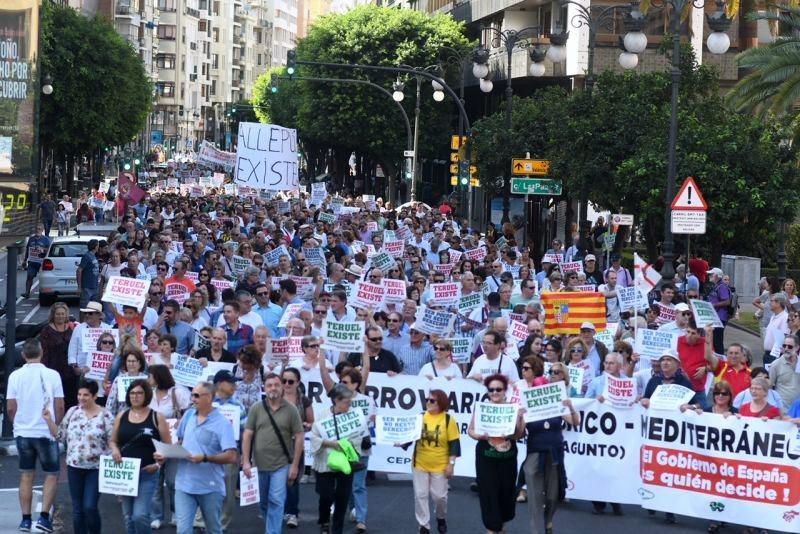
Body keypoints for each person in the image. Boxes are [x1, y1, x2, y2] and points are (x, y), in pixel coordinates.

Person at [7, 339, 65, 533]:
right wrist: (57, 426)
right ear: (42, 353)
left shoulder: (15, 376)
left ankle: (25, 519)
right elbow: (59, 405)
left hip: (23, 432)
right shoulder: (52, 375)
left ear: (23, 355)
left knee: (26, 475)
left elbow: (10, 407)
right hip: (46, 431)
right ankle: (44, 518)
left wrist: (17, 423)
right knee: (51, 474)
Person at [165, 381, 237, 534]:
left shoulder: (223, 424)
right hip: (184, 484)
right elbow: (180, 441)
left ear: (210, 397)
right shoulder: (189, 415)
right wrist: (167, 453)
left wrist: (205, 458)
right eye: (192, 395)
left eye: (197, 396)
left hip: (210, 487)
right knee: (183, 530)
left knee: (213, 529)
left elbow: (231, 456)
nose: (193, 399)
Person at [242, 373, 304, 534]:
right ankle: (271, 526)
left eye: (276, 385)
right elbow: (248, 434)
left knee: (276, 500)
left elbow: (299, 436)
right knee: (263, 502)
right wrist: (246, 461)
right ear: (264, 387)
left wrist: (295, 465)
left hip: (281, 464)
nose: (273, 388)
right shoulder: (256, 408)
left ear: (282, 387)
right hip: (259, 464)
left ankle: (272, 532)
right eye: (269, 385)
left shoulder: (291, 410)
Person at [109, 378, 171, 534]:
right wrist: (115, 450)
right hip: (125, 473)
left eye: (139, 393)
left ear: (146, 395)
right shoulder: (121, 416)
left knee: (140, 515)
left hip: (147, 472)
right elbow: (113, 441)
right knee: (128, 517)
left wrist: (158, 465)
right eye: (132, 393)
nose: (135, 396)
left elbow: (167, 447)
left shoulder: (157, 417)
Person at [523, 369, 580, 534]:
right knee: (534, 497)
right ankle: (536, 531)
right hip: (535, 453)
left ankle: (548, 520)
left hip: (554, 453)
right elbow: (519, 433)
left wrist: (570, 407)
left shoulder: (556, 404)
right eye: (536, 389)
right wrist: (520, 417)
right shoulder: (528, 406)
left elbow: (575, 422)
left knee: (552, 495)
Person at [468, 374, 525, 534]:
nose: (494, 392)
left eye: (498, 389)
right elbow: (470, 430)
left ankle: (500, 527)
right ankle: (492, 528)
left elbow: (519, 435)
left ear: (504, 391)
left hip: (507, 460)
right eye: (491, 389)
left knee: (506, 495)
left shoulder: (513, 408)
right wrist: (479, 436)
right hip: (486, 459)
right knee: (488, 495)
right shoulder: (482, 407)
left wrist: (520, 419)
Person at [310, 384, 370, 534]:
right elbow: (314, 437)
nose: (349, 405)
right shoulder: (323, 414)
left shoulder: (354, 415)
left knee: (342, 498)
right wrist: (331, 443)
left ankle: (337, 530)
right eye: (346, 402)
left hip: (345, 464)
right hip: (325, 462)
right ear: (336, 400)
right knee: (326, 495)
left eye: (350, 402)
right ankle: (324, 520)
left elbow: (359, 438)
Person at [57, 380, 115, 534]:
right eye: (79, 394)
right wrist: (49, 420)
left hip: (95, 468)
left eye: (86, 395)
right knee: (78, 510)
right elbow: (60, 435)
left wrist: (115, 452)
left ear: (95, 396)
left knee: (89, 506)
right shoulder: (73, 412)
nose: (81, 398)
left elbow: (113, 440)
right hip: (74, 467)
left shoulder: (106, 415)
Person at [405, 389, 460, 534]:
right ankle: (424, 526)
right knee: (420, 495)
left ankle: (441, 517)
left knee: (440, 497)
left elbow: (454, 444)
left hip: (440, 465)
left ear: (441, 403)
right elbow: (410, 436)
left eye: (432, 400)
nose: (428, 402)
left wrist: (451, 464)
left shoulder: (448, 420)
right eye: (427, 400)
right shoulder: (420, 417)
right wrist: (401, 441)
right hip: (420, 463)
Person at [148, 364, 191, 529]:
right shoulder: (149, 394)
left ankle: (176, 513)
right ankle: (156, 515)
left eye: (150, 376)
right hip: (153, 443)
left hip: (172, 444)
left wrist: (182, 422)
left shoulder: (177, 392)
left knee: (173, 481)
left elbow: (189, 411)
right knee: (155, 481)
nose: (148, 379)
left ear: (158, 377)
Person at [210, 371, 247, 531]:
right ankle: (203, 520)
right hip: (208, 452)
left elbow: (245, 430)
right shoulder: (207, 402)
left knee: (228, 491)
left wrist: (245, 454)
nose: (234, 385)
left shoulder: (237, 405)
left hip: (230, 453)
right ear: (219, 384)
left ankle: (221, 525)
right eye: (230, 382)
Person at [281, 367, 314, 528]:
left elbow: (311, 422)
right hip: (275, 443)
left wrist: (305, 426)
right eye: (284, 381)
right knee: (275, 478)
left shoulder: (304, 400)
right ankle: (279, 509)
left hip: (295, 443)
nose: (287, 384)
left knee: (292, 478)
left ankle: (292, 513)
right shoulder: (275, 398)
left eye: (290, 381)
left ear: (298, 382)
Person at [39, 302, 78, 410]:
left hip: (70, 372)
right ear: (53, 315)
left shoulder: (73, 328)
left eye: (62, 314)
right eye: (58, 314)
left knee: (71, 401)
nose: (60, 316)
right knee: (54, 401)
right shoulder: (46, 331)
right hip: (53, 369)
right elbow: (44, 352)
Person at [768, 334, 800, 410]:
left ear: (797, 347)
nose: (786, 349)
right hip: (783, 410)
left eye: (790, 346)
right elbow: (769, 387)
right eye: (784, 346)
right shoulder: (775, 365)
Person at [705, 267, 732, 355]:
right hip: (717, 317)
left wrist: (714, 305)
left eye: (711, 274)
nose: (710, 276)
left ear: (716, 275)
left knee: (717, 342)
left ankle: (720, 361)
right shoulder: (718, 286)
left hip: (720, 318)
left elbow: (727, 301)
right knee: (715, 341)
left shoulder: (721, 287)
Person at [23, 224, 51, 298]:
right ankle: (27, 292)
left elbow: (50, 250)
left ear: (42, 230)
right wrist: (25, 260)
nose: (37, 230)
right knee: (29, 276)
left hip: (41, 263)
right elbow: (27, 250)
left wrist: (43, 250)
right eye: (36, 229)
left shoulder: (46, 239)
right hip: (32, 262)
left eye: (39, 229)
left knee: (44, 277)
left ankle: (45, 292)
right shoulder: (31, 239)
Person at [77, 239, 101, 311]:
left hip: (95, 286)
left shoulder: (93, 256)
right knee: (84, 309)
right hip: (87, 287)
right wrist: (79, 287)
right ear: (95, 246)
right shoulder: (86, 256)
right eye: (98, 245)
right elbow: (79, 270)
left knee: (93, 309)